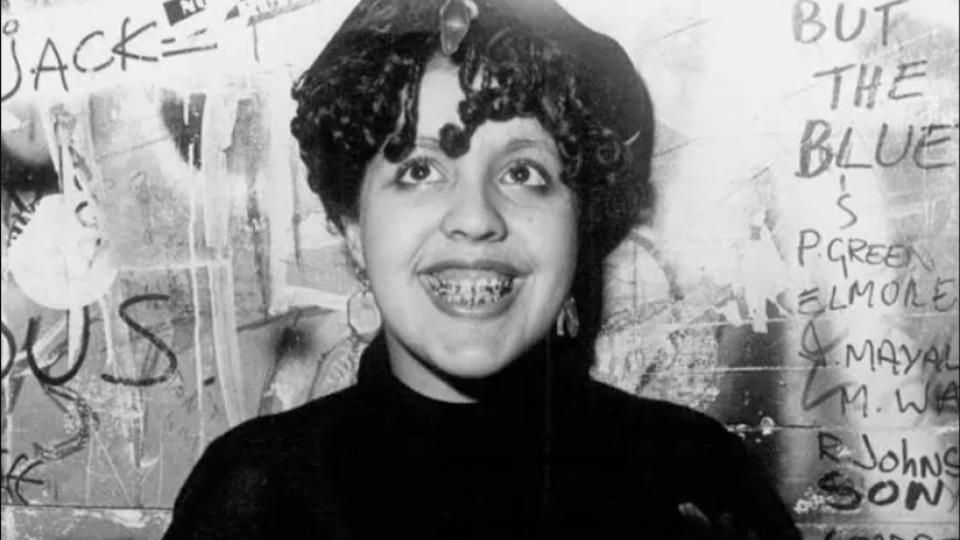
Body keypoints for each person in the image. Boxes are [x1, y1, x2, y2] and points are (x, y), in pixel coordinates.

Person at [163, 0, 802, 538]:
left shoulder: (693, 476)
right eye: (419, 171)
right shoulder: (255, 498)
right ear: (353, 230)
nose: (475, 217)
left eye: (523, 172)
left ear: (579, 219)